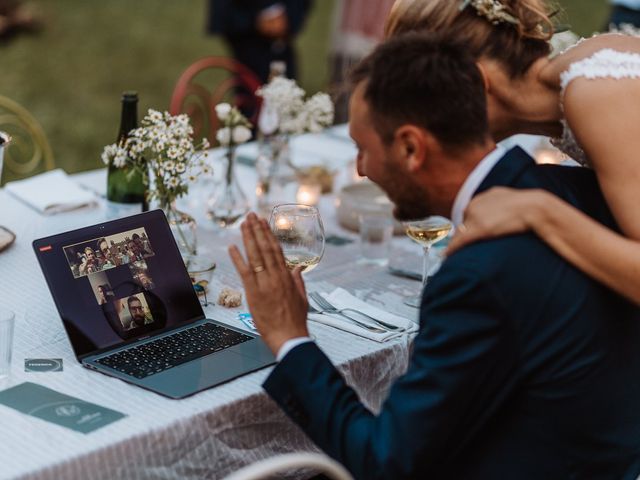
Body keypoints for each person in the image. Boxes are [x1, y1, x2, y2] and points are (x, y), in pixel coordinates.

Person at [228, 34, 640, 479]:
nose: (362, 169)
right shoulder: (575, 192)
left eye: (364, 148)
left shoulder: (476, 276)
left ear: (411, 147)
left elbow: (386, 461)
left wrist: (289, 338)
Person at [384, 0, 640, 305]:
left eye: (427, 106)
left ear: (476, 82)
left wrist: (537, 211)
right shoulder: (578, 83)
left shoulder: (595, 91)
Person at [206, 0, 314, 83]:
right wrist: (267, 11)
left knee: (280, 76)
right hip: (244, 16)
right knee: (251, 78)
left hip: (280, 20)